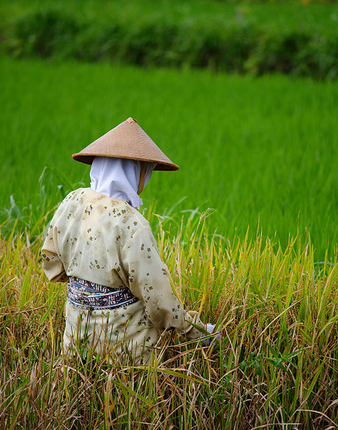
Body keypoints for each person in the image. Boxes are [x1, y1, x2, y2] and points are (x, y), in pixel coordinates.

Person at [41, 117, 216, 362]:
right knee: (130, 393)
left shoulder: (71, 202)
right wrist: (195, 330)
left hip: (75, 338)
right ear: (136, 171)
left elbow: (51, 261)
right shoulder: (132, 223)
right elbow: (157, 298)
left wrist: (86, 288)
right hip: (124, 351)